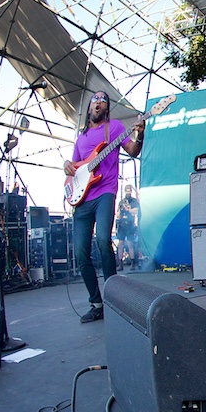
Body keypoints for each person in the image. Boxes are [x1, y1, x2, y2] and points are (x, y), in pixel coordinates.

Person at [64, 92, 144, 322]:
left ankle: (113, 298)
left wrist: (140, 134)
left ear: (106, 108)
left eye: (103, 101)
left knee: (102, 240)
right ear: (89, 107)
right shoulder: (81, 139)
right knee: (80, 251)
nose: (98, 102)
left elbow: (133, 151)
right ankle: (96, 303)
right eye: (95, 99)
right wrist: (67, 166)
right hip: (82, 199)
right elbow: (76, 168)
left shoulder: (116, 128)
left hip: (105, 193)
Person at [115, 184, 140, 270]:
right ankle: (120, 263)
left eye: (129, 190)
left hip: (130, 225)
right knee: (120, 244)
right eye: (127, 190)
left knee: (130, 243)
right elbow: (117, 214)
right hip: (122, 224)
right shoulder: (121, 202)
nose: (128, 192)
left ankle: (132, 263)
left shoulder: (134, 201)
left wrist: (128, 209)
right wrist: (120, 211)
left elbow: (136, 211)